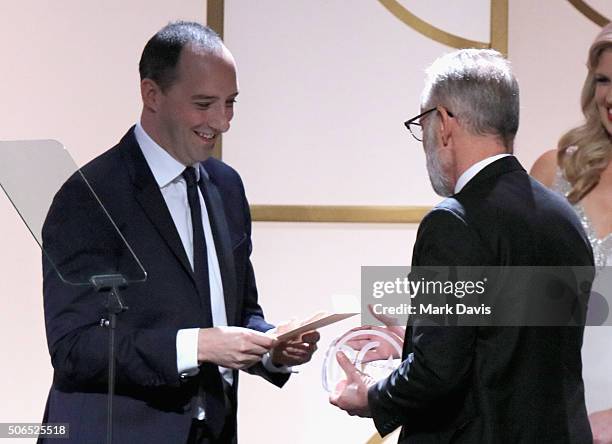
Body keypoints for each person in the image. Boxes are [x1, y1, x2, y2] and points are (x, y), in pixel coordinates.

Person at [39, 21, 319, 444]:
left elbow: (238, 311)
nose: (222, 122)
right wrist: (198, 346)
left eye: (230, 103)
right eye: (204, 104)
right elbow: (75, 348)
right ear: (152, 95)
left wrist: (272, 347)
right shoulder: (90, 196)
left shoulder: (227, 187)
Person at [329, 49, 595, 443]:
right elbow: (515, 338)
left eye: (423, 123)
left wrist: (370, 395)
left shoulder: (453, 222)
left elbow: (438, 372)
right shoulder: (563, 217)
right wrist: (416, 337)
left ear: (444, 123)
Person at [531, 22, 612, 444]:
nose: (610, 97)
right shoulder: (553, 172)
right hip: (549, 411)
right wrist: (408, 330)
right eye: (603, 80)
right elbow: (507, 295)